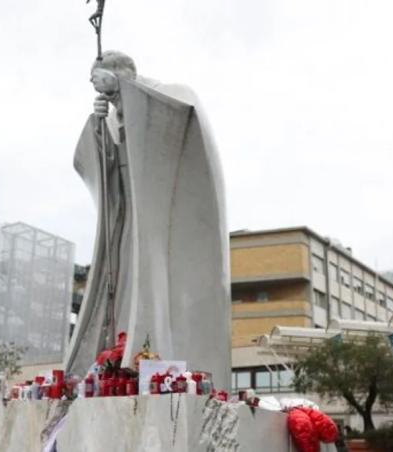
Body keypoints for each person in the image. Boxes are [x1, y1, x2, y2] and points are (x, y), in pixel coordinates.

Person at [65, 50, 231, 389]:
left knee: (154, 281)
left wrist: (128, 96)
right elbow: (103, 168)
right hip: (129, 215)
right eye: (105, 96)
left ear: (126, 76)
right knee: (124, 282)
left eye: (112, 92)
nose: (111, 102)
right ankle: (120, 360)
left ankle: (156, 362)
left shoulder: (173, 94)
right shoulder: (110, 117)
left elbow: (180, 123)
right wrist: (99, 129)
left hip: (162, 214)